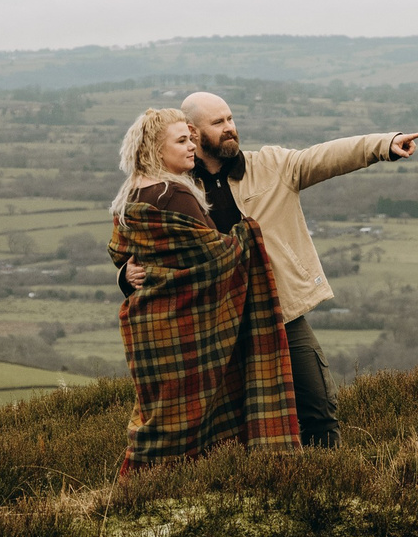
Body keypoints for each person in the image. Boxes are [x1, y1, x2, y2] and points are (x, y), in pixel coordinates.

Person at [124, 91, 418, 447]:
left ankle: (329, 487)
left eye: (231, 119)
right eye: (218, 123)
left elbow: (324, 157)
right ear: (193, 130)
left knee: (318, 407)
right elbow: (141, 246)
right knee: (223, 426)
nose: (230, 128)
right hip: (216, 324)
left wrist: (384, 145)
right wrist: (124, 274)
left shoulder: (270, 165)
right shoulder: (177, 188)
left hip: (279, 312)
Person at [107, 106, 300, 471]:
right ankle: (155, 489)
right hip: (182, 333)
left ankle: (144, 491)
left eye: (191, 139)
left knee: (157, 416)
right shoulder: (174, 196)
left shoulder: (129, 196)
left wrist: (124, 274)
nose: (191, 148)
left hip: (146, 328)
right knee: (185, 420)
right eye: (181, 141)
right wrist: (248, 234)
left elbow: (122, 252)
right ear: (154, 149)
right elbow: (215, 258)